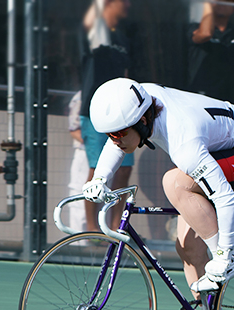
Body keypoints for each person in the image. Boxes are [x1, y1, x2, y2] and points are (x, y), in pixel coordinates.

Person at [82, 78, 234, 310]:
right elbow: (119, 142)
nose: (115, 139)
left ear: (143, 121)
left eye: (119, 133)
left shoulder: (184, 141)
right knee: (187, 247)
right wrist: (99, 178)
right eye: (110, 134)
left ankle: (229, 258)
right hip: (214, 147)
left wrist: (223, 253)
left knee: (174, 182)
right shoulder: (139, 102)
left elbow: (225, 198)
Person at [79, 0, 134, 232]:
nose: (128, 4)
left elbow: (126, 73)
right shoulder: (94, 31)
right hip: (94, 114)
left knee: (124, 170)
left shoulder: (122, 37)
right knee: (96, 170)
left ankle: (115, 228)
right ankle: (92, 229)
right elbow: (90, 21)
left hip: (121, 115)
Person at [186, 1, 234, 105]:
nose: (222, 3)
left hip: (230, 99)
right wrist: (208, 3)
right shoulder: (194, 28)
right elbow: (206, 34)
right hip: (200, 97)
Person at [67, 91, 88, 232]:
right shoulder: (82, 96)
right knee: (79, 199)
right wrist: (94, 144)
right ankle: (78, 246)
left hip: (104, 155)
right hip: (85, 153)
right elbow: (73, 129)